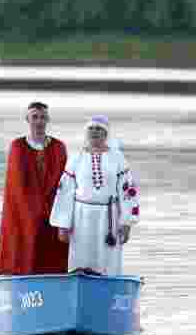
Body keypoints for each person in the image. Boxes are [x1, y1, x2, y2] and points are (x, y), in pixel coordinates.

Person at [49, 115, 140, 275]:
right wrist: (63, 224)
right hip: (81, 217)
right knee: (81, 257)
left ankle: (108, 289)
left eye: (99, 129)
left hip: (109, 218)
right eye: (91, 129)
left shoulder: (117, 158)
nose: (95, 132)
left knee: (107, 260)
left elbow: (128, 191)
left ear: (106, 134)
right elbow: (65, 192)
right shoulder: (77, 157)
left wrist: (126, 223)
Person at [0, 102, 70, 276]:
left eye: (43, 117)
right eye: (35, 117)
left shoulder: (59, 147)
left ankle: (56, 280)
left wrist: (56, 211)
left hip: (54, 208)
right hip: (25, 210)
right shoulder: (18, 146)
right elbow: (18, 184)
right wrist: (37, 209)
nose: (39, 121)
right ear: (27, 119)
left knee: (55, 250)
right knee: (28, 240)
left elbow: (64, 181)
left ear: (48, 119)